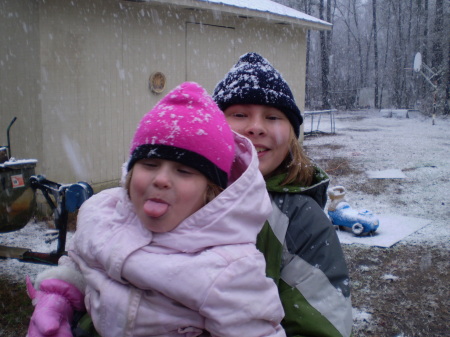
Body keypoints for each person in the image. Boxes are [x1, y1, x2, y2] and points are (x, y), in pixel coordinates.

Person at [26, 82, 287, 337]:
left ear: (211, 194)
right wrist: (57, 297)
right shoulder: (104, 215)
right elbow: (82, 261)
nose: (161, 179)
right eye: (149, 164)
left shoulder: (226, 268)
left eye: (184, 171)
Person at [212, 52, 353, 337]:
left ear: (290, 135)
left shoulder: (301, 221)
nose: (256, 127)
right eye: (239, 114)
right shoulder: (177, 197)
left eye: (273, 117)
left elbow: (324, 326)